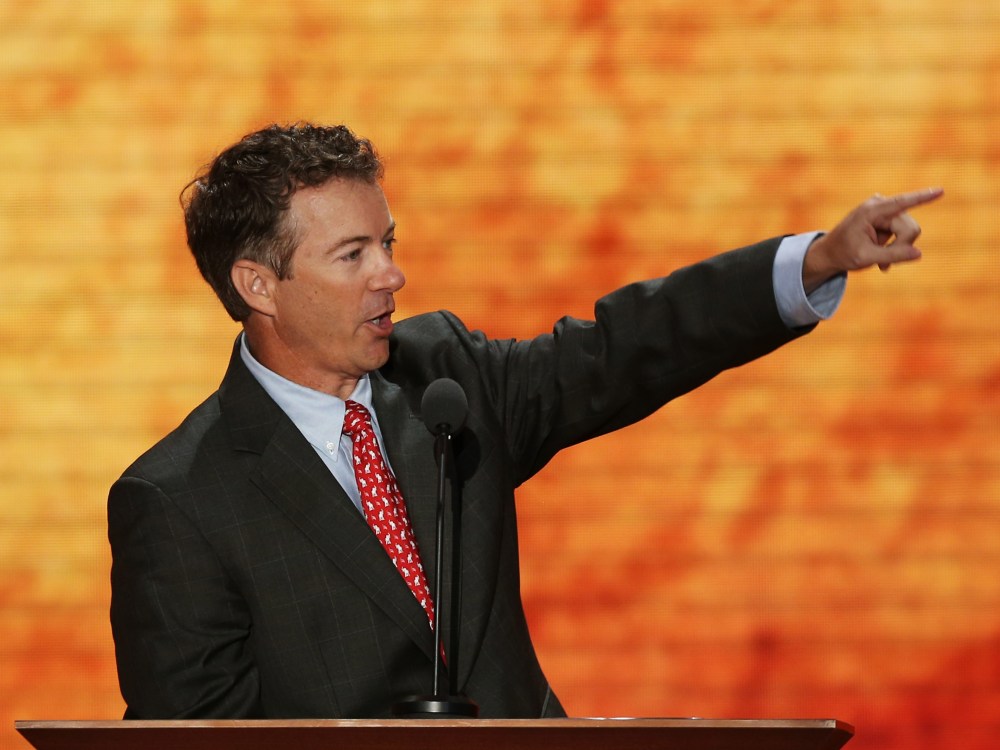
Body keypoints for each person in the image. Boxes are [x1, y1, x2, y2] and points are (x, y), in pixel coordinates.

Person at [108, 122, 942, 719]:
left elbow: (625, 349)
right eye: (353, 255)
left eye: (388, 243)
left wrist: (817, 261)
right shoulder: (178, 499)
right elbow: (203, 737)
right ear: (258, 286)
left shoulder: (445, 376)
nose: (392, 276)